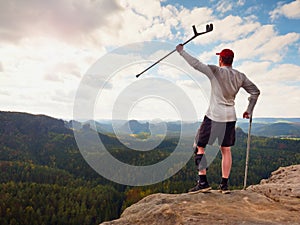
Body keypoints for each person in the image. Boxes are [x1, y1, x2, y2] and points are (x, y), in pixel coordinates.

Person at [176, 44, 260, 194]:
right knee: (225, 150)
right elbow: (255, 92)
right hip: (230, 117)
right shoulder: (240, 76)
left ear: (221, 59)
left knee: (199, 145)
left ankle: (203, 182)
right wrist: (249, 110)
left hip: (214, 116)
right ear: (231, 60)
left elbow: (196, 64)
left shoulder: (215, 71)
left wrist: (182, 52)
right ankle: (224, 185)